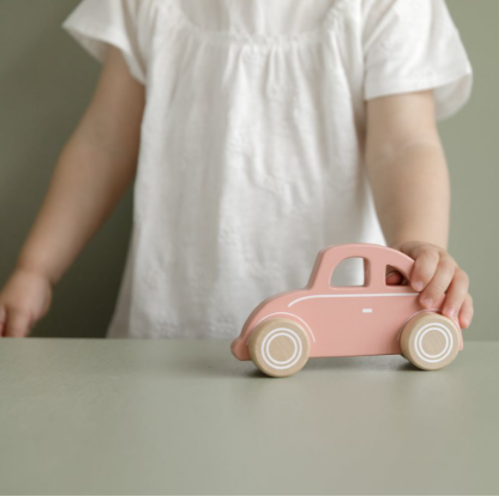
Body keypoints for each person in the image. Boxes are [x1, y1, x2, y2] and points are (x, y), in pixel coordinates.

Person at [0, 0, 474, 338]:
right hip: (174, 315)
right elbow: (103, 144)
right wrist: (37, 268)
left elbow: (405, 145)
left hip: (339, 330)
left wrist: (416, 250)